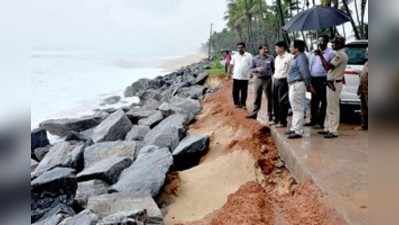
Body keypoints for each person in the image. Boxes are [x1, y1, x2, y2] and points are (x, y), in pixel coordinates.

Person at [317, 36, 349, 138]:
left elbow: (327, 67)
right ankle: (328, 128)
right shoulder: (338, 54)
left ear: (340, 44)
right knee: (329, 107)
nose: (332, 45)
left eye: (335, 43)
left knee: (333, 108)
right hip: (331, 82)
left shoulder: (340, 55)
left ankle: (333, 130)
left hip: (334, 83)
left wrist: (320, 56)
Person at [286, 40, 313, 139]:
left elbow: (305, 73)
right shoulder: (296, 57)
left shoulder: (301, 57)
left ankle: (298, 131)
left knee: (298, 108)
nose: (290, 48)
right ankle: (294, 128)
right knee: (295, 108)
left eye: (291, 46)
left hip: (298, 84)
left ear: (297, 48)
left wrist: (308, 85)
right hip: (294, 85)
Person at [306, 35, 335, 129]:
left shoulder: (331, 53)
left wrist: (320, 55)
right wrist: (309, 81)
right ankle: (313, 120)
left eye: (322, 41)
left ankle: (321, 122)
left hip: (323, 79)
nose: (320, 43)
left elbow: (329, 68)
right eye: (319, 41)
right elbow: (310, 66)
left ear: (327, 42)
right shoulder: (312, 53)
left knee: (323, 101)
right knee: (313, 101)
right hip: (313, 79)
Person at [247, 45, 275, 120]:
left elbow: (274, 68)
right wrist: (257, 69)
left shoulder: (271, 58)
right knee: (257, 97)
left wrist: (271, 74)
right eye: (264, 49)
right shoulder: (255, 58)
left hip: (268, 79)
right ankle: (254, 114)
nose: (266, 50)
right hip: (258, 79)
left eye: (266, 49)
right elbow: (251, 69)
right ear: (260, 50)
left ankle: (270, 114)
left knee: (269, 97)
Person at [272, 41, 293, 127]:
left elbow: (292, 70)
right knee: (275, 101)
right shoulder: (276, 58)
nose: (275, 50)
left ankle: (282, 121)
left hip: (284, 81)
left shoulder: (289, 57)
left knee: (282, 102)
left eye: (277, 48)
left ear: (282, 48)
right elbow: (276, 70)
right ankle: (276, 119)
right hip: (276, 80)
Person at [229, 42, 253, 109]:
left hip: (245, 77)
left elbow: (251, 65)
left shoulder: (249, 55)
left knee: (244, 92)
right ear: (237, 48)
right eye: (238, 48)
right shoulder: (234, 56)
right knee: (235, 91)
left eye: (241, 47)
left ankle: (243, 104)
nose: (240, 49)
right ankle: (236, 103)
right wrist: (229, 74)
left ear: (244, 48)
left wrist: (251, 73)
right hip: (236, 76)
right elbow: (231, 65)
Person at [358, 53, 368, 130]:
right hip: (363, 90)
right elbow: (363, 77)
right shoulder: (366, 63)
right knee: (363, 109)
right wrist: (359, 89)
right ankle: (364, 125)